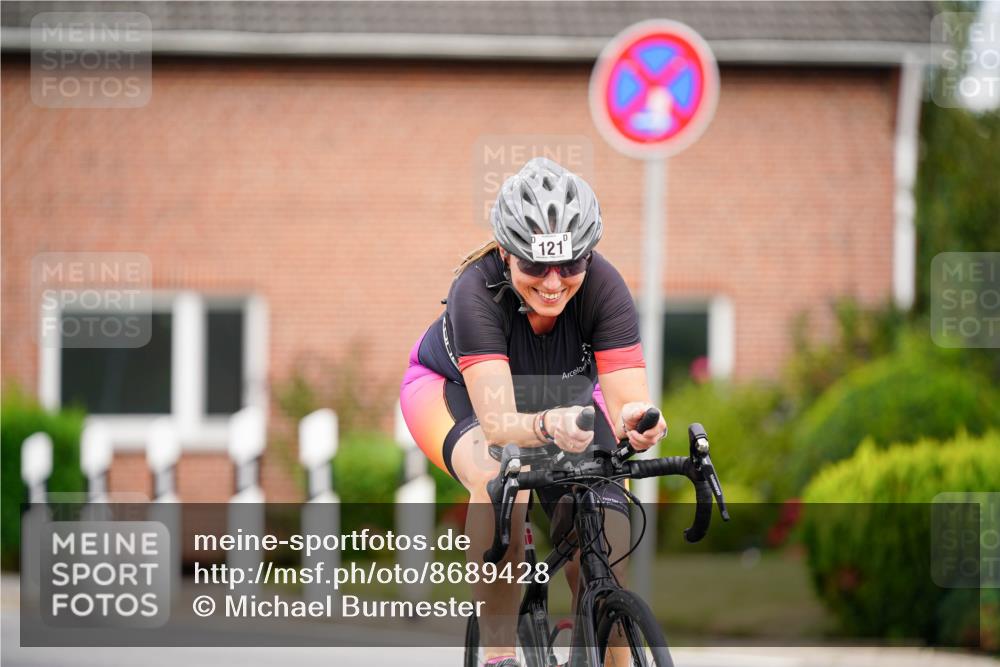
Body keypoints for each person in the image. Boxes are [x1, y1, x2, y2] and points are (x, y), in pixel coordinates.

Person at [400, 157, 667, 667]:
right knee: (501, 479)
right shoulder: (474, 292)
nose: (552, 282)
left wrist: (638, 422)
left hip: (561, 400)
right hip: (456, 394)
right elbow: (501, 425)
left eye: (570, 265)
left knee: (604, 541)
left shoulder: (605, 287)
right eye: (534, 266)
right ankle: (499, 653)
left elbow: (629, 399)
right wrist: (546, 426)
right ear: (505, 253)